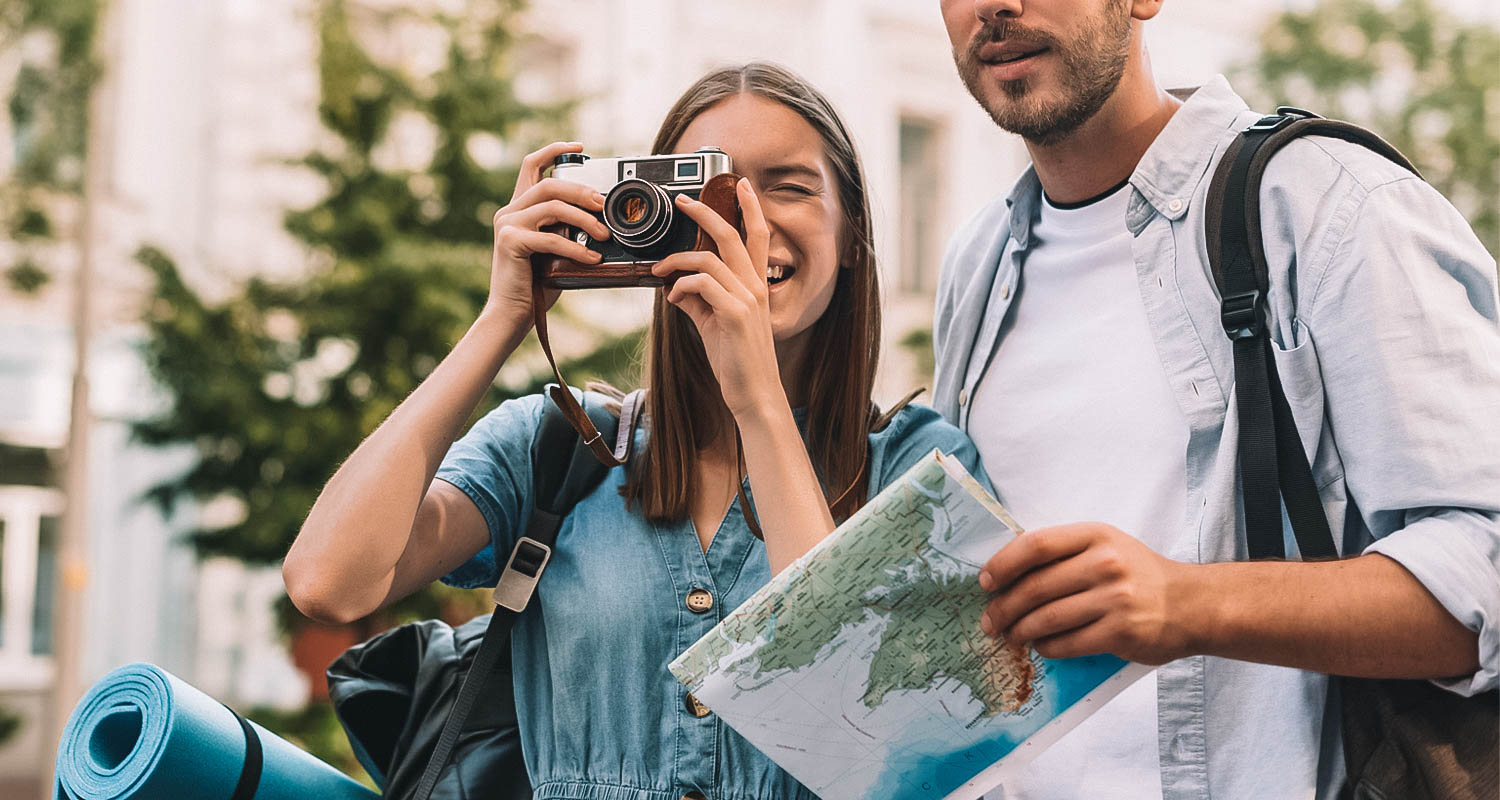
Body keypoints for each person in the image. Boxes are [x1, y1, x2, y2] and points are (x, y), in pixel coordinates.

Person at [282, 61, 983, 800]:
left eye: (788, 186)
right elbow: (328, 582)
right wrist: (504, 317)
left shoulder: (920, 468)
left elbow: (878, 744)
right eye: (707, 187)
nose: (745, 218)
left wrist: (760, 405)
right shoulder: (555, 447)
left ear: (851, 237)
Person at [931, 1, 1499, 798]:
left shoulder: (1328, 206)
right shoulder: (976, 262)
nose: (999, 4)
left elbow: (1484, 571)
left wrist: (1188, 602)